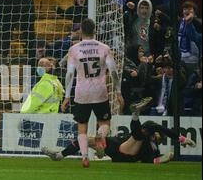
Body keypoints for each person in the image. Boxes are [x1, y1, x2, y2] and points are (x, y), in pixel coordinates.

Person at [42, 97, 196, 163]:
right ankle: (59, 155)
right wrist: (181, 139)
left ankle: (135, 114)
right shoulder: (149, 137)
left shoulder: (151, 146)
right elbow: (159, 130)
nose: (155, 134)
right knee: (86, 140)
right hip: (117, 146)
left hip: (125, 153)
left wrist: (164, 159)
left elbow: (151, 161)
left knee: (141, 132)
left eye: (157, 135)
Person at [61, 18, 124, 168]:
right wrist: (118, 92)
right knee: (105, 123)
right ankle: (100, 136)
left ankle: (84, 157)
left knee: (82, 126)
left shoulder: (74, 49)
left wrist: (66, 96)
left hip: (81, 92)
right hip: (100, 91)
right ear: (95, 30)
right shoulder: (104, 48)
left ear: (81, 30)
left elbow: (69, 74)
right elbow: (114, 72)